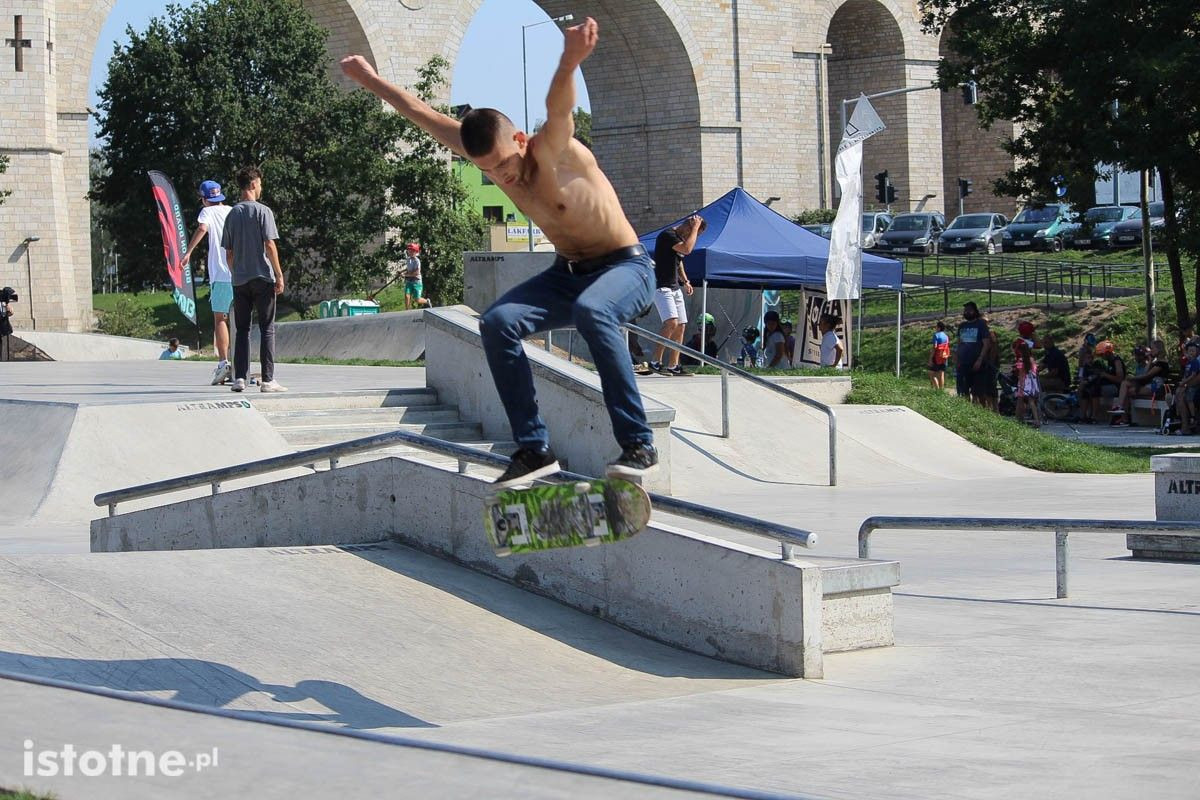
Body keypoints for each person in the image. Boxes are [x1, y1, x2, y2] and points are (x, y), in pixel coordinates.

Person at [341, 18, 659, 485]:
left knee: (594, 311)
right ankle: (534, 449)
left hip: (626, 268)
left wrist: (570, 60)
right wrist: (370, 80)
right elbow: (418, 112)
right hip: (566, 273)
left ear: (520, 142)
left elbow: (559, 110)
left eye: (506, 166)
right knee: (496, 322)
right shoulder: (487, 155)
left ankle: (638, 444)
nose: (503, 178)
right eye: (488, 173)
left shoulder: (553, 151)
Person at [221, 166, 287, 394]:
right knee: (267, 328)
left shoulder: (231, 214)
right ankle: (268, 380)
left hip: (240, 280)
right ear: (252, 184)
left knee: (242, 329)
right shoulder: (263, 212)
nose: (261, 188)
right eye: (259, 184)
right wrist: (279, 274)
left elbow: (228, 253)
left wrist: (235, 272)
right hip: (262, 277)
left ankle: (240, 378)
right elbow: (269, 244)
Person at [181, 180, 233, 385]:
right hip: (239, 273)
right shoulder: (232, 210)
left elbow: (202, 228)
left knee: (220, 319)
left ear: (204, 199)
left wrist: (188, 252)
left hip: (220, 274)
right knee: (240, 320)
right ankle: (241, 362)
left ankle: (223, 363)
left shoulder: (206, 213)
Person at [650, 215, 705, 376]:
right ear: (688, 227)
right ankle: (655, 361)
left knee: (681, 325)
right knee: (671, 323)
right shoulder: (668, 235)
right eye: (694, 233)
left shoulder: (678, 241)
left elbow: (679, 261)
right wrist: (695, 227)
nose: (693, 237)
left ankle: (673, 364)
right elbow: (687, 250)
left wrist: (685, 280)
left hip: (674, 287)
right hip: (661, 287)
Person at [1113, 340, 1171, 426]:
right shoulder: (1155, 362)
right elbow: (1145, 372)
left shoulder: (1162, 363)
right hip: (1149, 385)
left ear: (1159, 349)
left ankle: (1124, 417)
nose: (1151, 350)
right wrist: (1150, 360)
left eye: (1153, 348)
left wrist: (1133, 378)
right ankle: (1120, 408)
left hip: (1156, 387)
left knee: (1128, 391)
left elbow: (1147, 376)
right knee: (1125, 384)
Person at [955, 302, 993, 406]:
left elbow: (986, 344)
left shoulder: (981, 324)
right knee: (964, 390)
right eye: (965, 310)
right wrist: (957, 360)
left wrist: (980, 359)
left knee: (979, 392)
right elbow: (959, 344)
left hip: (978, 363)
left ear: (975, 311)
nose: (967, 312)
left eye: (969, 310)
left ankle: (983, 411)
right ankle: (968, 411)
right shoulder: (962, 326)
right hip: (964, 363)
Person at [1086, 340, 1125, 423]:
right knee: (1089, 388)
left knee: (1095, 389)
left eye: (1102, 354)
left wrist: (1105, 375)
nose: (1101, 357)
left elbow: (1120, 379)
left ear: (1107, 353)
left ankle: (1094, 416)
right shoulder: (1109, 362)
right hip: (1110, 385)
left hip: (1117, 387)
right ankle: (1088, 415)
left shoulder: (1116, 361)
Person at [1012, 339, 1041, 427]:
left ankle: (1018, 419)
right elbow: (1035, 371)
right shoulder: (1031, 360)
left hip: (1024, 383)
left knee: (1020, 401)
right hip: (1032, 383)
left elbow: (1021, 374)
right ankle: (1037, 420)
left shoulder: (1021, 361)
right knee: (1032, 402)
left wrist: (1020, 386)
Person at [1174, 341, 1200, 435]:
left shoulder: (1196, 361)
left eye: (1194, 350)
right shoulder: (1191, 361)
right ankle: (1181, 421)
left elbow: (1196, 377)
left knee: (1182, 394)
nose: (1192, 352)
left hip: (1194, 387)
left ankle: (1186, 426)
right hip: (1190, 385)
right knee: (1176, 393)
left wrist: (1185, 384)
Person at [402, 243, 430, 310]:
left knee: (417, 300)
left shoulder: (417, 261)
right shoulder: (408, 260)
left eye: (412, 251)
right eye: (409, 250)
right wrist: (401, 272)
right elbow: (409, 270)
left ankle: (427, 301)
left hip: (416, 282)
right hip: (409, 281)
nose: (410, 252)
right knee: (407, 295)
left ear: (415, 252)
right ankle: (407, 310)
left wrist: (405, 275)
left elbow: (416, 273)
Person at [928, 321, 950, 389]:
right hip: (944, 356)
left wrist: (930, 358)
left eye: (936, 327)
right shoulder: (946, 336)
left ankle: (937, 389)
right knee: (941, 374)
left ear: (939, 328)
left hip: (936, 356)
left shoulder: (936, 335)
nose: (935, 328)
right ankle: (941, 390)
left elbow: (935, 347)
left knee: (931, 373)